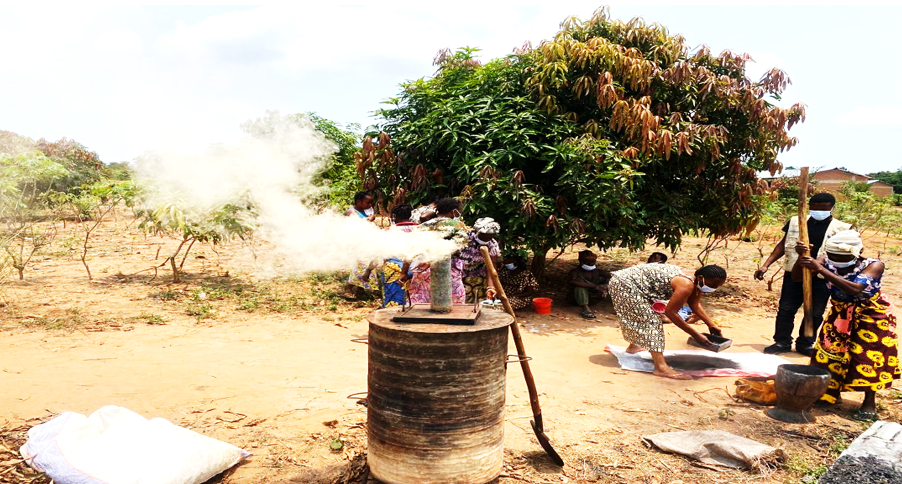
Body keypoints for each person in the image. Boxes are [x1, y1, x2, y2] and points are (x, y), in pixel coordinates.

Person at [795, 230, 899, 421]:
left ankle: (869, 402)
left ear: (857, 253)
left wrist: (820, 269)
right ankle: (830, 393)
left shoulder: (875, 265)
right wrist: (801, 259)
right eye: (833, 256)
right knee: (830, 352)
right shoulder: (825, 260)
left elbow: (855, 288)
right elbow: (797, 277)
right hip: (840, 312)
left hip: (872, 314)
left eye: (841, 258)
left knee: (867, 356)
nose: (836, 260)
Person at [754, 193, 852, 356]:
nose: (818, 211)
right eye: (815, 208)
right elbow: (782, 244)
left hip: (821, 276)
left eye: (823, 209)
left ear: (832, 208)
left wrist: (817, 265)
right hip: (794, 273)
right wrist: (766, 265)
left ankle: (805, 343)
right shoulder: (796, 221)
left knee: (814, 312)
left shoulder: (842, 228)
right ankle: (782, 341)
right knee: (786, 309)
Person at [609, 263, 726, 380]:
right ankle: (660, 367)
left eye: (718, 286)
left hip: (637, 285)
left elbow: (694, 303)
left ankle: (635, 346)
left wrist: (711, 325)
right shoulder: (686, 284)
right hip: (625, 284)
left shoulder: (696, 281)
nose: (714, 288)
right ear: (701, 278)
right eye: (713, 285)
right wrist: (695, 335)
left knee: (644, 317)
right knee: (650, 321)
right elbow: (671, 313)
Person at [408, 198, 469, 304]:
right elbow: (457, 245)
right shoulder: (457, 226)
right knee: (453, 305)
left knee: (421, 305)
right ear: (454, 211)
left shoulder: (423, 226)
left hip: (422, 270)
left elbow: (413, 248)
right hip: (448, 271)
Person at [379, 204, 417, 307]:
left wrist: (368, 270)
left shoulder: (388, 231)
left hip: (394, 270)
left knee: (393, 301)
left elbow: (380, 252)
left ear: (394, 216)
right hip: (416, 270)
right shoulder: (420, 229)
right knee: (415, 301)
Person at [457, 217, 501, 303]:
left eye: (491, 235)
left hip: (478, 275)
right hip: (459, 274)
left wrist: (490, 287)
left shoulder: (492, 245)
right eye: (485, 235)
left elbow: (490, 266)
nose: (488, 237)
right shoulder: (464, 239)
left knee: (479, 302)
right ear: (478, 232)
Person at [344, 191, 379, 298]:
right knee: (360, 266)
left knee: (365, 266)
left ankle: (360, 290)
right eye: (367, 202)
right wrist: (369, 220)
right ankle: (348, 288)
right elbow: (357, 225)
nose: (370, 205)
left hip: (366, 243)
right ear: (358, 202)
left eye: (371, 203)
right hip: (357, 244)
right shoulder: (351, 212)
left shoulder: (365, 212)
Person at [568, 250, 610, 319]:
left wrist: (607, 285)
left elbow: (610, 276)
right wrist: (595, 286)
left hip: (594, 297)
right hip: (576, 299)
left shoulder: (597, 271)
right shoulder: (575, 272)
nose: (590, 264)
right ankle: (585, 309)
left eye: (592, 262)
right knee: (579, 288)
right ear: (581, 262)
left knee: (610, 281)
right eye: (588, 262)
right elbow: (572, 281)